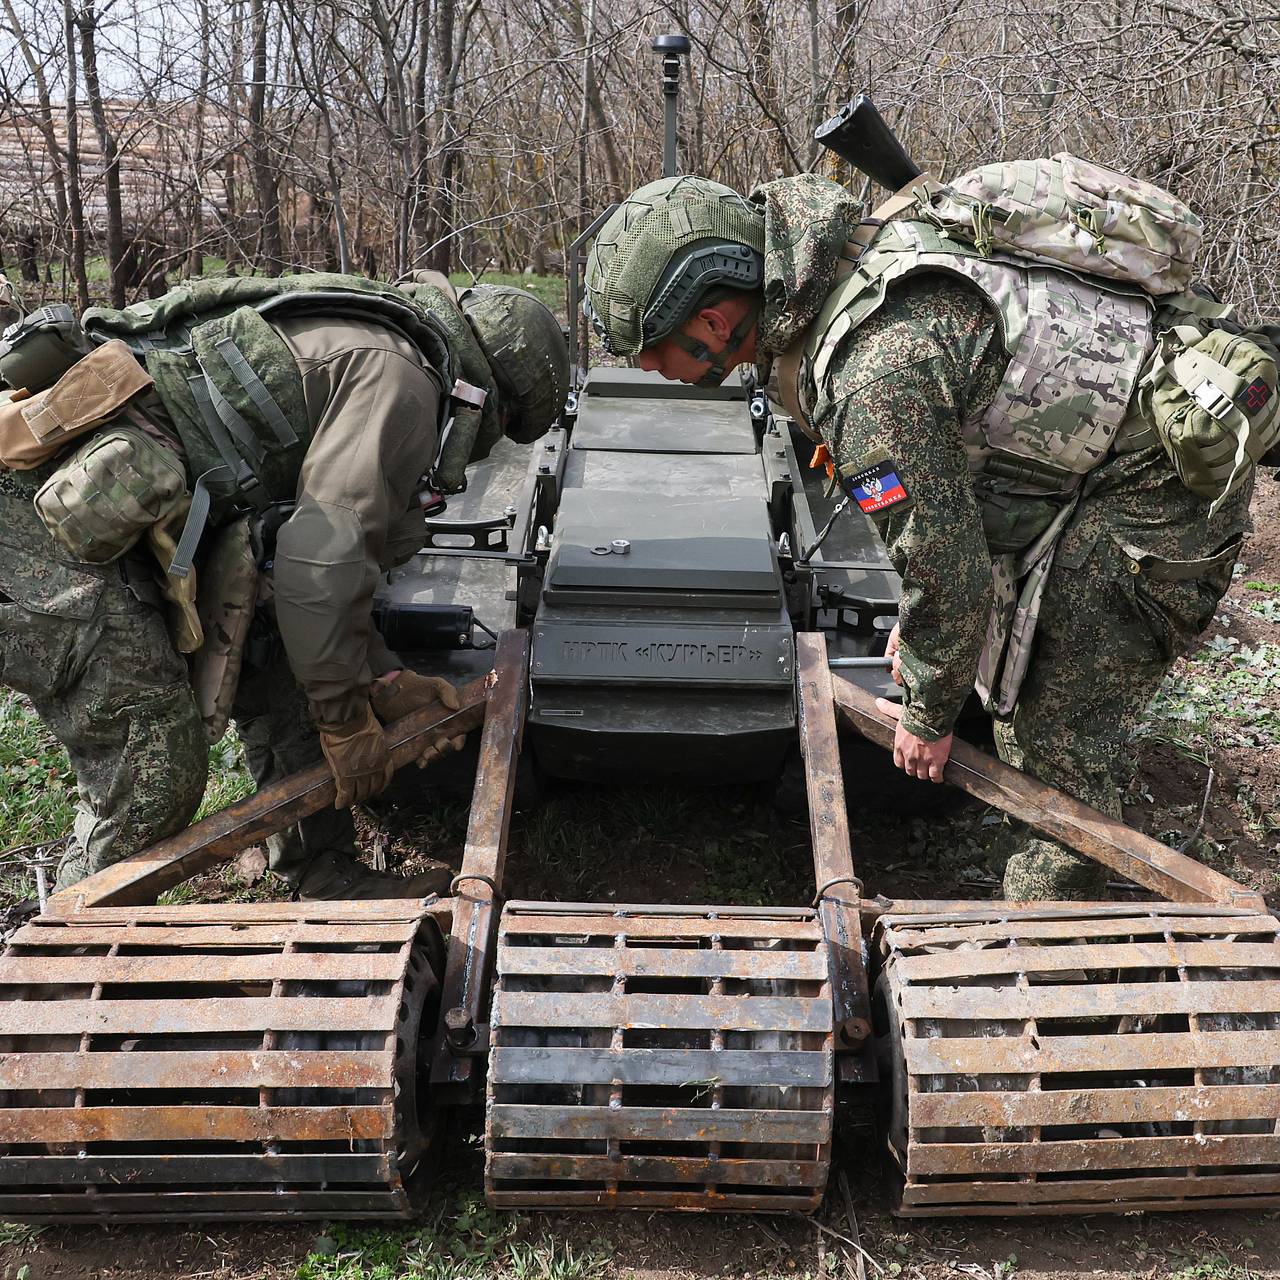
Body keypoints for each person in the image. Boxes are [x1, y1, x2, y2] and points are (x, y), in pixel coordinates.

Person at [584, 172, 1258, 900]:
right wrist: (934, 630)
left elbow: (944, 559)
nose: (658, 374)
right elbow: (943, 507)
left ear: (714, 323)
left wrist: (930, 713)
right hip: (1078, 466)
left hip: (1155, 487)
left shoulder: (869, 377)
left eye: (657, 353)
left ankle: (1059, 940)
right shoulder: (837, 275)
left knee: (1056, 736)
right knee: (997, 660)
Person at [0, 272, 568, 899]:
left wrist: (383, 679)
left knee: (279, 649)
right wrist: (347, 724)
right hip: (35, 534)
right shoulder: (401, 379)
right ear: (492, 402)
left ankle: (322, 872)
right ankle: (68, 946)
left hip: (94, 513)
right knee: (154, 765)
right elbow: (319, 568)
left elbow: (302, 572)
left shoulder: (377, 335)